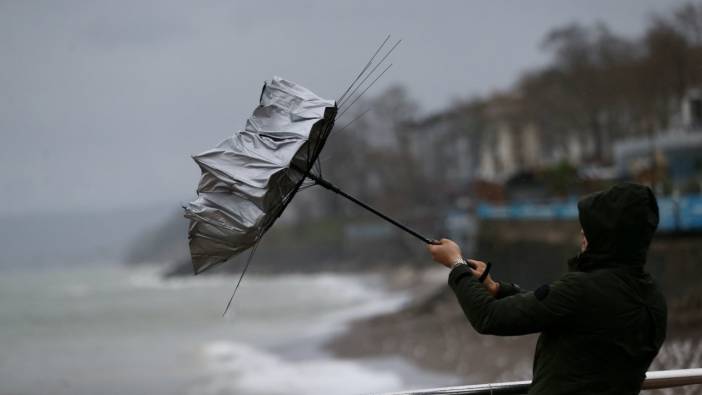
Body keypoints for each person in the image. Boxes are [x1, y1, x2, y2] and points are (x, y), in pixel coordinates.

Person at [427, 183, 667, 395]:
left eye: (591, 228)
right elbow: (566, 314)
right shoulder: (653, 298)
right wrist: (497, 288)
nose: (582, 233)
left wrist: (456, 264)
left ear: (610, 236)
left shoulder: (582, 289)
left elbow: (490, 317)